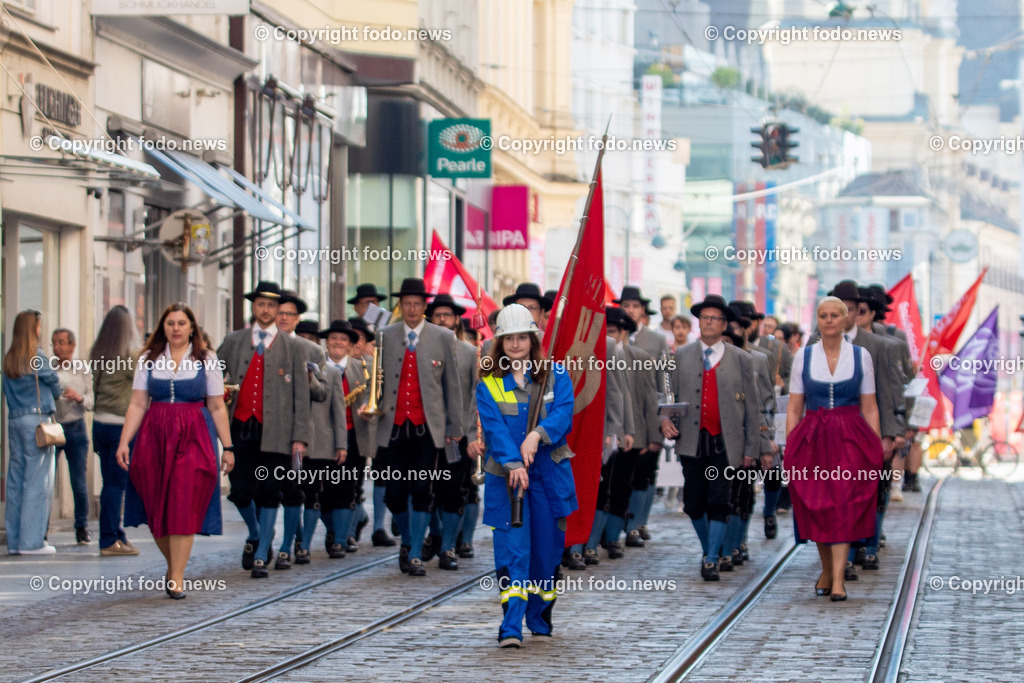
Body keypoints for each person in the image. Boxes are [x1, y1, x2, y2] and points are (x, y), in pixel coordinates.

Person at [116, 304, 234, 598]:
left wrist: (228, 446)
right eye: (171, 323)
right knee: (157, 506)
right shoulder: (148, 358)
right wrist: (123, 441)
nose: (176, 328)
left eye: (182, 323)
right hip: (154, 433)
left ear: (192, 327)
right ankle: (174, 565)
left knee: (183, 502)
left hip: (194, 433)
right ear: (163, 327)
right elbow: (138, 403)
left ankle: (177, 577)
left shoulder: (208, 360)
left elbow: (217, 405)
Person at [477, 304, 576, 648]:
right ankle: (511, 625)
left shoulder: (556, 374)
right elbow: (494, 428)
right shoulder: (489, 382)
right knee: (512, 552)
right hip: (508, 480)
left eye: (522, 337)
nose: (516, 344)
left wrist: (538, 434)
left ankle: (539, 616)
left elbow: (564, 414)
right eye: (509, 338)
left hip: (550, 476)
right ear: (500, 343)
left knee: (546, 553)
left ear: (533, 339)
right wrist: (514, 462)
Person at [785, 296, 883, 602]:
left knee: (842, 504)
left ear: (844, 319)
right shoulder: (804, 356)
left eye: (834, 315)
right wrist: (790, 447)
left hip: (849, 437)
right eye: (823, 315)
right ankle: (827, 568)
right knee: (817, 504)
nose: (828, 320)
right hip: (812, 438)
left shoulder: (860, 355)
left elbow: (870, 407)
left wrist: (875, 449)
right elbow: (793, 407)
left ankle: (839, 578)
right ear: (817, 320)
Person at [660, 294, 761, 581]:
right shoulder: (680, 356)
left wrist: (752, 447)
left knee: (720, 498)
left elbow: (752, 406)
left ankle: (712, 557)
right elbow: (665, 397)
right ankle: (709, 550)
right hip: (692, 440)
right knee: (693, 502)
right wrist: (664, 418)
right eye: (705, 317)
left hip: (726, 442)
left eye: (715, 318)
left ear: (725, 324)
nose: (709, 323)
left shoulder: (741, 359)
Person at [217, 281, 313, 578]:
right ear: (254, 307)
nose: (267, 309)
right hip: (240, 426)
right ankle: (258, 533)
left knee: (272, 490)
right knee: (241, 491)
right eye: (261, 304)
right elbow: (215, 376)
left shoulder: (294, 347)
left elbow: (301, 396)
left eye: (272, 305)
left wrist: (299, 438)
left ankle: (260, 556)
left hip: (278, 432)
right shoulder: (233, 341)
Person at [376, 278, 464, 577]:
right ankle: (410, 539)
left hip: (428, 429)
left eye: (417, 304)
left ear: (424, 307)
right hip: (395, 426)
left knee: (422, 488)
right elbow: (377, 380)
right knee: (394, 494)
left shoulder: (442, 337)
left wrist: (454, 426)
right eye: (407, 303)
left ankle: (414, 553)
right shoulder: (384, 335)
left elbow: (452, 386)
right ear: (400, 305)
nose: (412, 309)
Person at [3, 310, 63, 554]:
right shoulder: (36, 356)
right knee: (38, 480)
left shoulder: (10, 358)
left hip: (15, 420)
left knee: (16, 481)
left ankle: (16, 541)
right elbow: (54, 382)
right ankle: (32, 542)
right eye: (39, 326)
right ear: (33, 329)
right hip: (37, 421)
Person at [615, 286, 669, 544]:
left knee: (644, 473)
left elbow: (662, 385)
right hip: (617, 419)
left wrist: (660, 422)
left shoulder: (656, 341)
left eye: (635, 306)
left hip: (646, 417)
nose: (630, 310)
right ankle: (616, 523)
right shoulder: (610, 338)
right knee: (618, 477)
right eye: (626, 305)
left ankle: (636, 523)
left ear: (643, 311)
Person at [91, 305, 142, 556]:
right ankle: (108, 540)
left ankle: (117, 534)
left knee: (108, 483)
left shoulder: (99, 352)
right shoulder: (130, 356)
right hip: (120, 426)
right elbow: (144, 386)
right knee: (116, 485)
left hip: (99, 424)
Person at [52, 327, 95, 545]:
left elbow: (91, 399)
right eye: (54, 343)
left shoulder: (81, 368)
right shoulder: (48, 368)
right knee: (48, 481)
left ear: (72, 345)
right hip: (54, 428)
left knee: (78, 482)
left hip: (76, 428)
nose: (57, 347)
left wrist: (79, 397)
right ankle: (41, 527)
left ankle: (81, 528)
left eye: (61, 342)